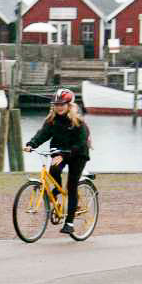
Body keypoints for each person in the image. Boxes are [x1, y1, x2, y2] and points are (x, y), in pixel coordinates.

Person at [25, 88, 92, 235]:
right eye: (56, 104)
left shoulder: (78, 122)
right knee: (53, 170)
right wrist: (31, 144)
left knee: (72, 185)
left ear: (69, 105)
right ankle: (57, 190)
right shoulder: (52, 120)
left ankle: (69, 222)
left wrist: (65, 155)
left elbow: (81, 143)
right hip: (59, 151)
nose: (59, 107)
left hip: (78, 154)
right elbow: (43, 134)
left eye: (62, 104)